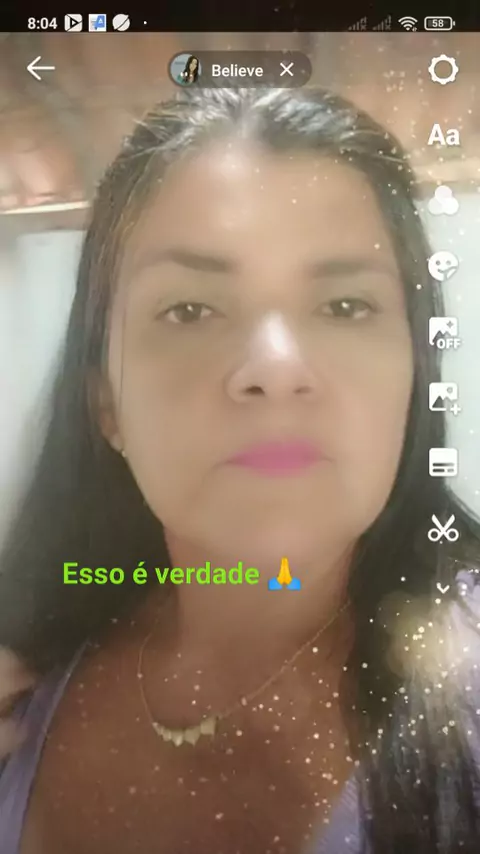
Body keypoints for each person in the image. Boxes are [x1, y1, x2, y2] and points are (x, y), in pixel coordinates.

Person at [0, 86, 479, 854]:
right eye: (190, 310)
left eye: (345, 306)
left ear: (415, 376)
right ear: (106, 405)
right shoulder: (30, 670)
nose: (275, 368)